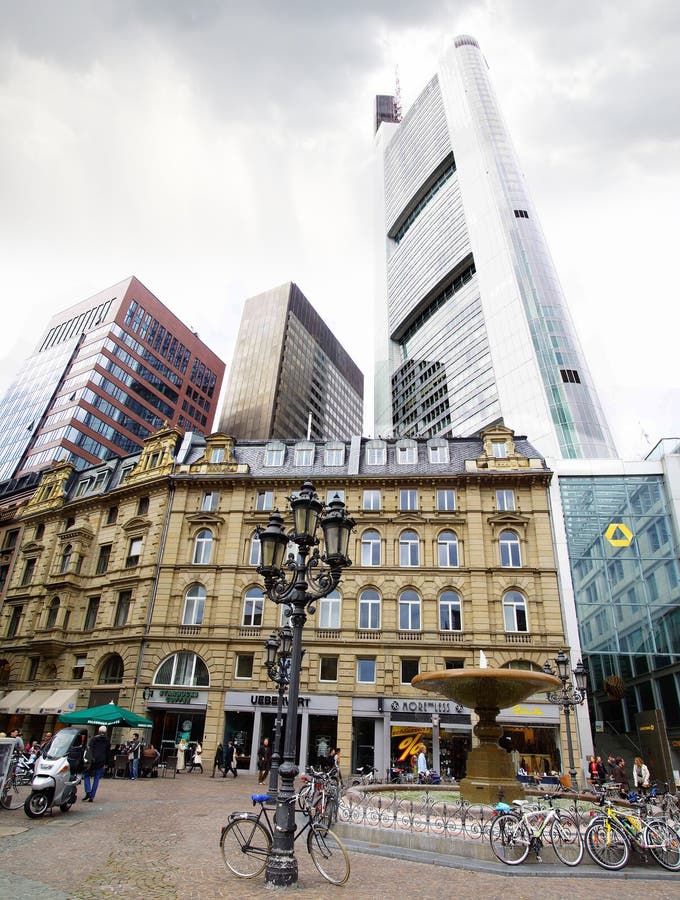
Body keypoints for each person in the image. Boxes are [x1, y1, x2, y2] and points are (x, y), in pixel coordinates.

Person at [83, 726, 110, 803]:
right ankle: (92, 796)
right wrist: (107, 763)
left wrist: (87, 760)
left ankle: (88, 791)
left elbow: (89, 749)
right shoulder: (107, 741)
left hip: (92, 760)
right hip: (101, 760)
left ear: (98, 731)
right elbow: (108, 752)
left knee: (86, 775)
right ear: (105, 732)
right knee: (96, 778)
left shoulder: (94, 739)